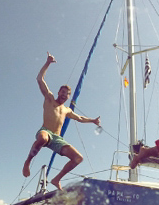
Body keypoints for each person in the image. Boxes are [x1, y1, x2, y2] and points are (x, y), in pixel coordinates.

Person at [22, 52, 101, 190]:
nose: (64, 95)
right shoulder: (49, 98)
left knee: (78, 158)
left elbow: (80, 118)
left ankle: (56, 179)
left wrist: (93, 120)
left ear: (68, 97)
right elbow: (40, 79)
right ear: (58, 92)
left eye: (67, 94)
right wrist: (48, 63)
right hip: (45, 131)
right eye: (62, 92)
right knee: (42, 138)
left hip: (57, 138)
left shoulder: (67, 110)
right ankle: (27, 162)